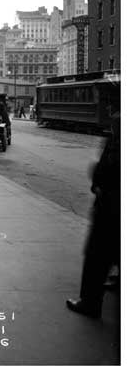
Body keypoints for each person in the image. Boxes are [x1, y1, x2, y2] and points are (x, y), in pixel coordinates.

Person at [67, 105, 120, 318]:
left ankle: (90, 302)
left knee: (97, 255)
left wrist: (98, 182)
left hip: (111, 204)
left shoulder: (121, 127)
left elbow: (110, 165)